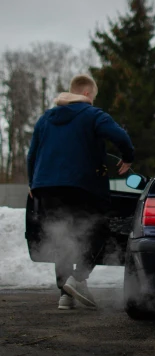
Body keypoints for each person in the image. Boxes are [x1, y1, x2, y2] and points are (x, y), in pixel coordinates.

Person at [27, 74, 134, 311]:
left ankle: (66, 294)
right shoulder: (93, 115)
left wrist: (32, 182)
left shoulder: (46, 118)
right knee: (100, 231)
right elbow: (120, 136)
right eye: (93, 97)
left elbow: (32, 154)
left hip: (46, 188)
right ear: (86, 94)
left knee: (62, 236)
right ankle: (79, 279)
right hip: (83, 187)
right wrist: (128, 157)